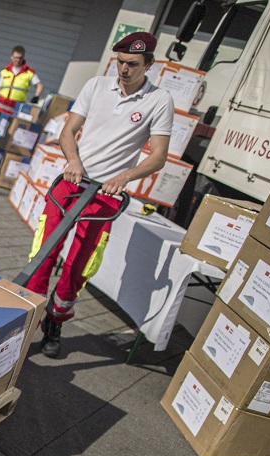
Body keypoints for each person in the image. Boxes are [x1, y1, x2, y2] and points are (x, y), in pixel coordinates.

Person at [26, 31, 174, 358]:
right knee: (43, 254)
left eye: (133, 64)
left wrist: (125, 176)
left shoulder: (159, 101)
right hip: (72, 181)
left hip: (105, 193)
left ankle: (55, 321)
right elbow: (68, 131)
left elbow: (158, 156)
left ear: (148, 64)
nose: (124, 69)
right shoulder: (95, 86)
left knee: (79, 264)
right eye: (120, 62)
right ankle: (27, 321)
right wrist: (73, 159)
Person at [0, 45, 44, 142]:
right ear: (11, 57)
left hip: (14, 110)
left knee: (6, 136)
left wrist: (36, 96)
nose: (18, 60)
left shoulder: (29, 72)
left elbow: (40, 86)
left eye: (20, 58)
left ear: (23, 57)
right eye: (16, 57)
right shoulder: (5, 72)